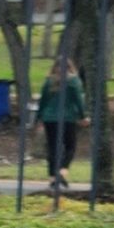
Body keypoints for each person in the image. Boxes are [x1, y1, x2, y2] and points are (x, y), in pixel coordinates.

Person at [38, 57, 87, 188]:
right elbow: (78, 100)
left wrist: (39, 118)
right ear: (70, 67)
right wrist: (83, 116)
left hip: (49, 118)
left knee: (52, 147)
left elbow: (43, 101)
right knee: (70, 146)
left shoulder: (49, 81)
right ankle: (62, 171)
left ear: (54, 67)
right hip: (67, 118)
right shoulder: (74, 81)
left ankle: (52, 178)